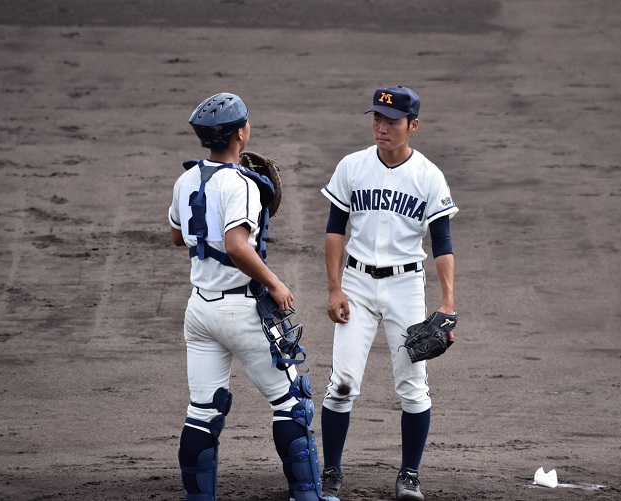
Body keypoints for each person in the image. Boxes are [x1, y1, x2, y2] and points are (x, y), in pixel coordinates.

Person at [169, 92, 338, 501]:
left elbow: (178, 235)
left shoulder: (186, 179)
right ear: (241, 133)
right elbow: (237, 245)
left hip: (200, 310)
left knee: (203, 410)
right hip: (242, 310)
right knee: (292, 402)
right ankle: (309, 497)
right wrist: (276, 284)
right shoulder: (241, 184)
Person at [318, 86, 458, 501]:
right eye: (376, 118)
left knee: (413, 385)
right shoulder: (352, 166)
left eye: (391, 121)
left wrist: (448, 303)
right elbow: (334, 229)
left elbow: (443, 242)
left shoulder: (428, 176)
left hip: (405, 286)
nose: (381, 127)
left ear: (412, 126)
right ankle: (331, 472)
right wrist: (334, 288)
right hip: (357, 284)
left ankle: (410, 475)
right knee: (341, 383)